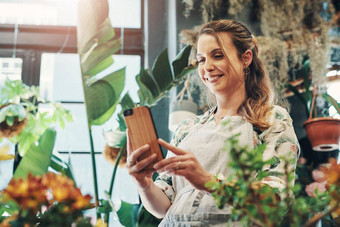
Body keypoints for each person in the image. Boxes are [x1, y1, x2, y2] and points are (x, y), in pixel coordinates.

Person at [125, 19, 300, 226]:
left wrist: (209, 182)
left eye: (217, 56)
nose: (207, 67)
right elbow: (163, 207)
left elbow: (276, 199)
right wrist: (143, 184)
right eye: (201, 60)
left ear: (246, 58)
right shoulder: (186, 128)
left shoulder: (271, 120)